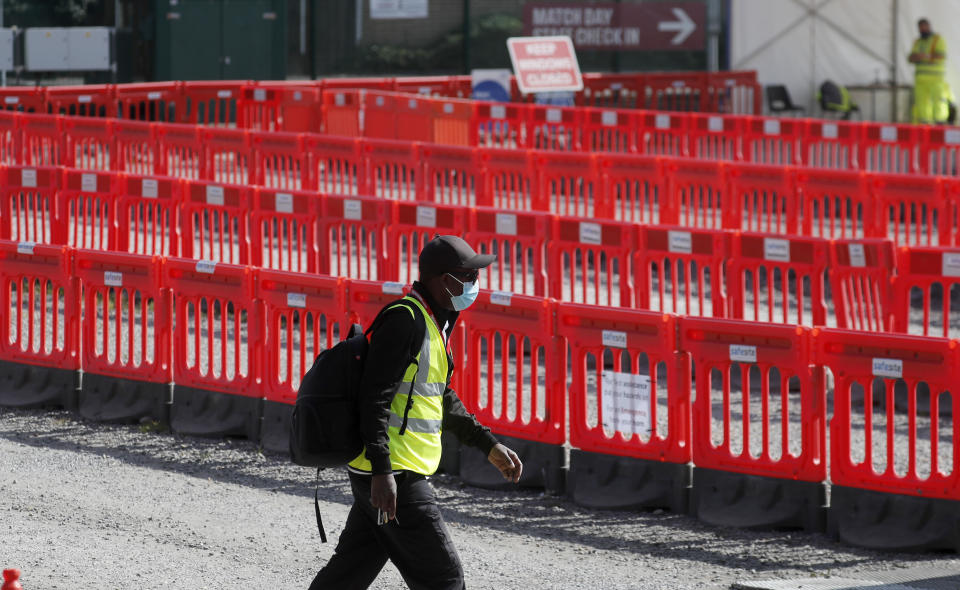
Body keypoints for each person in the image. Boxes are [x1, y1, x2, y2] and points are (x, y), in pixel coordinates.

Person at [309, 235, 523, 590]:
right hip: (394, 475)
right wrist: (383, 472)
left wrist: (487, 445)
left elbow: (439, 396)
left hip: (384, 473)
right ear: (443, 279)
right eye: (467, 276)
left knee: (347, 574)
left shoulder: (434, 322)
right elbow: (372, 399)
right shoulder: (405, 320)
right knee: (444, 579)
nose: (474, 284)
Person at [909, 18, 951, 124]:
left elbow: (941, 55)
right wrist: (917, 57)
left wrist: (924, 56)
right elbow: (910, 58)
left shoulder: (938, 39)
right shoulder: (917, 42)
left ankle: (940, 123)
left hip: (936, 78)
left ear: (929, 26)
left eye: (924, 26)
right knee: (921, 103)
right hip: (920, 80)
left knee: (939, 101)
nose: (922, 29)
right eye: (920, 27)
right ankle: (925, 124)